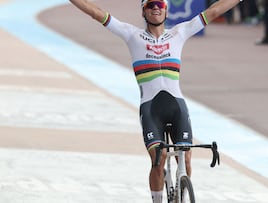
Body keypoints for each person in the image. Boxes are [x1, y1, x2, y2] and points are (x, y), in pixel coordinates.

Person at [69, 0, 242, 202]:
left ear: (166, 9)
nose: (156, 8)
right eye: (150, 5)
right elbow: (97, 13)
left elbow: (213, 11)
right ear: (144, 12)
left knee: (185, 157)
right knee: (157, 162)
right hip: (151, 109)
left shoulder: (179, 33)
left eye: (159, 4)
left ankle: (182, 192)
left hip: (176, 105)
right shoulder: (131, 34)